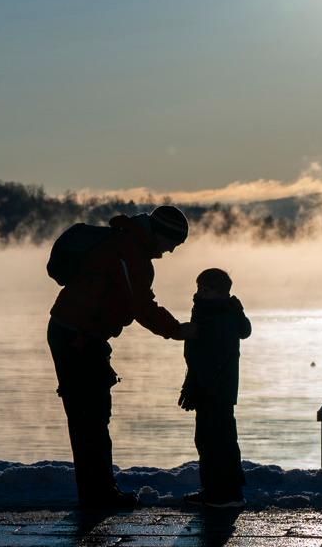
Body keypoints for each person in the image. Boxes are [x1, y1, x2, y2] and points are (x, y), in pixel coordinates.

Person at [46, 205, 192, 508]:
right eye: (172, 244)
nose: (170, 252)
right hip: (77, 337)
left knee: (91, 416)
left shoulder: (128, 244)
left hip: (81, 334)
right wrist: (177, 331)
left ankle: (97, 491)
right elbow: (140, 304)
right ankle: (98, 495)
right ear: (161, 235)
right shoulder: (129, 251)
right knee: (91, 417)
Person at [178, 267, 251, 508]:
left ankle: (222, 493)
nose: (200, 293)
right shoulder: (212, 310)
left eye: (206, 289)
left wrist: (197, 386)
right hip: (216, 386)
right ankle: (220, 490)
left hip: (214, 387)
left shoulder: (217, 315)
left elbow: (211, 357)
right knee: (215, 439)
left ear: (221, 293)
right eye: (199, 287)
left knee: (215, 440)